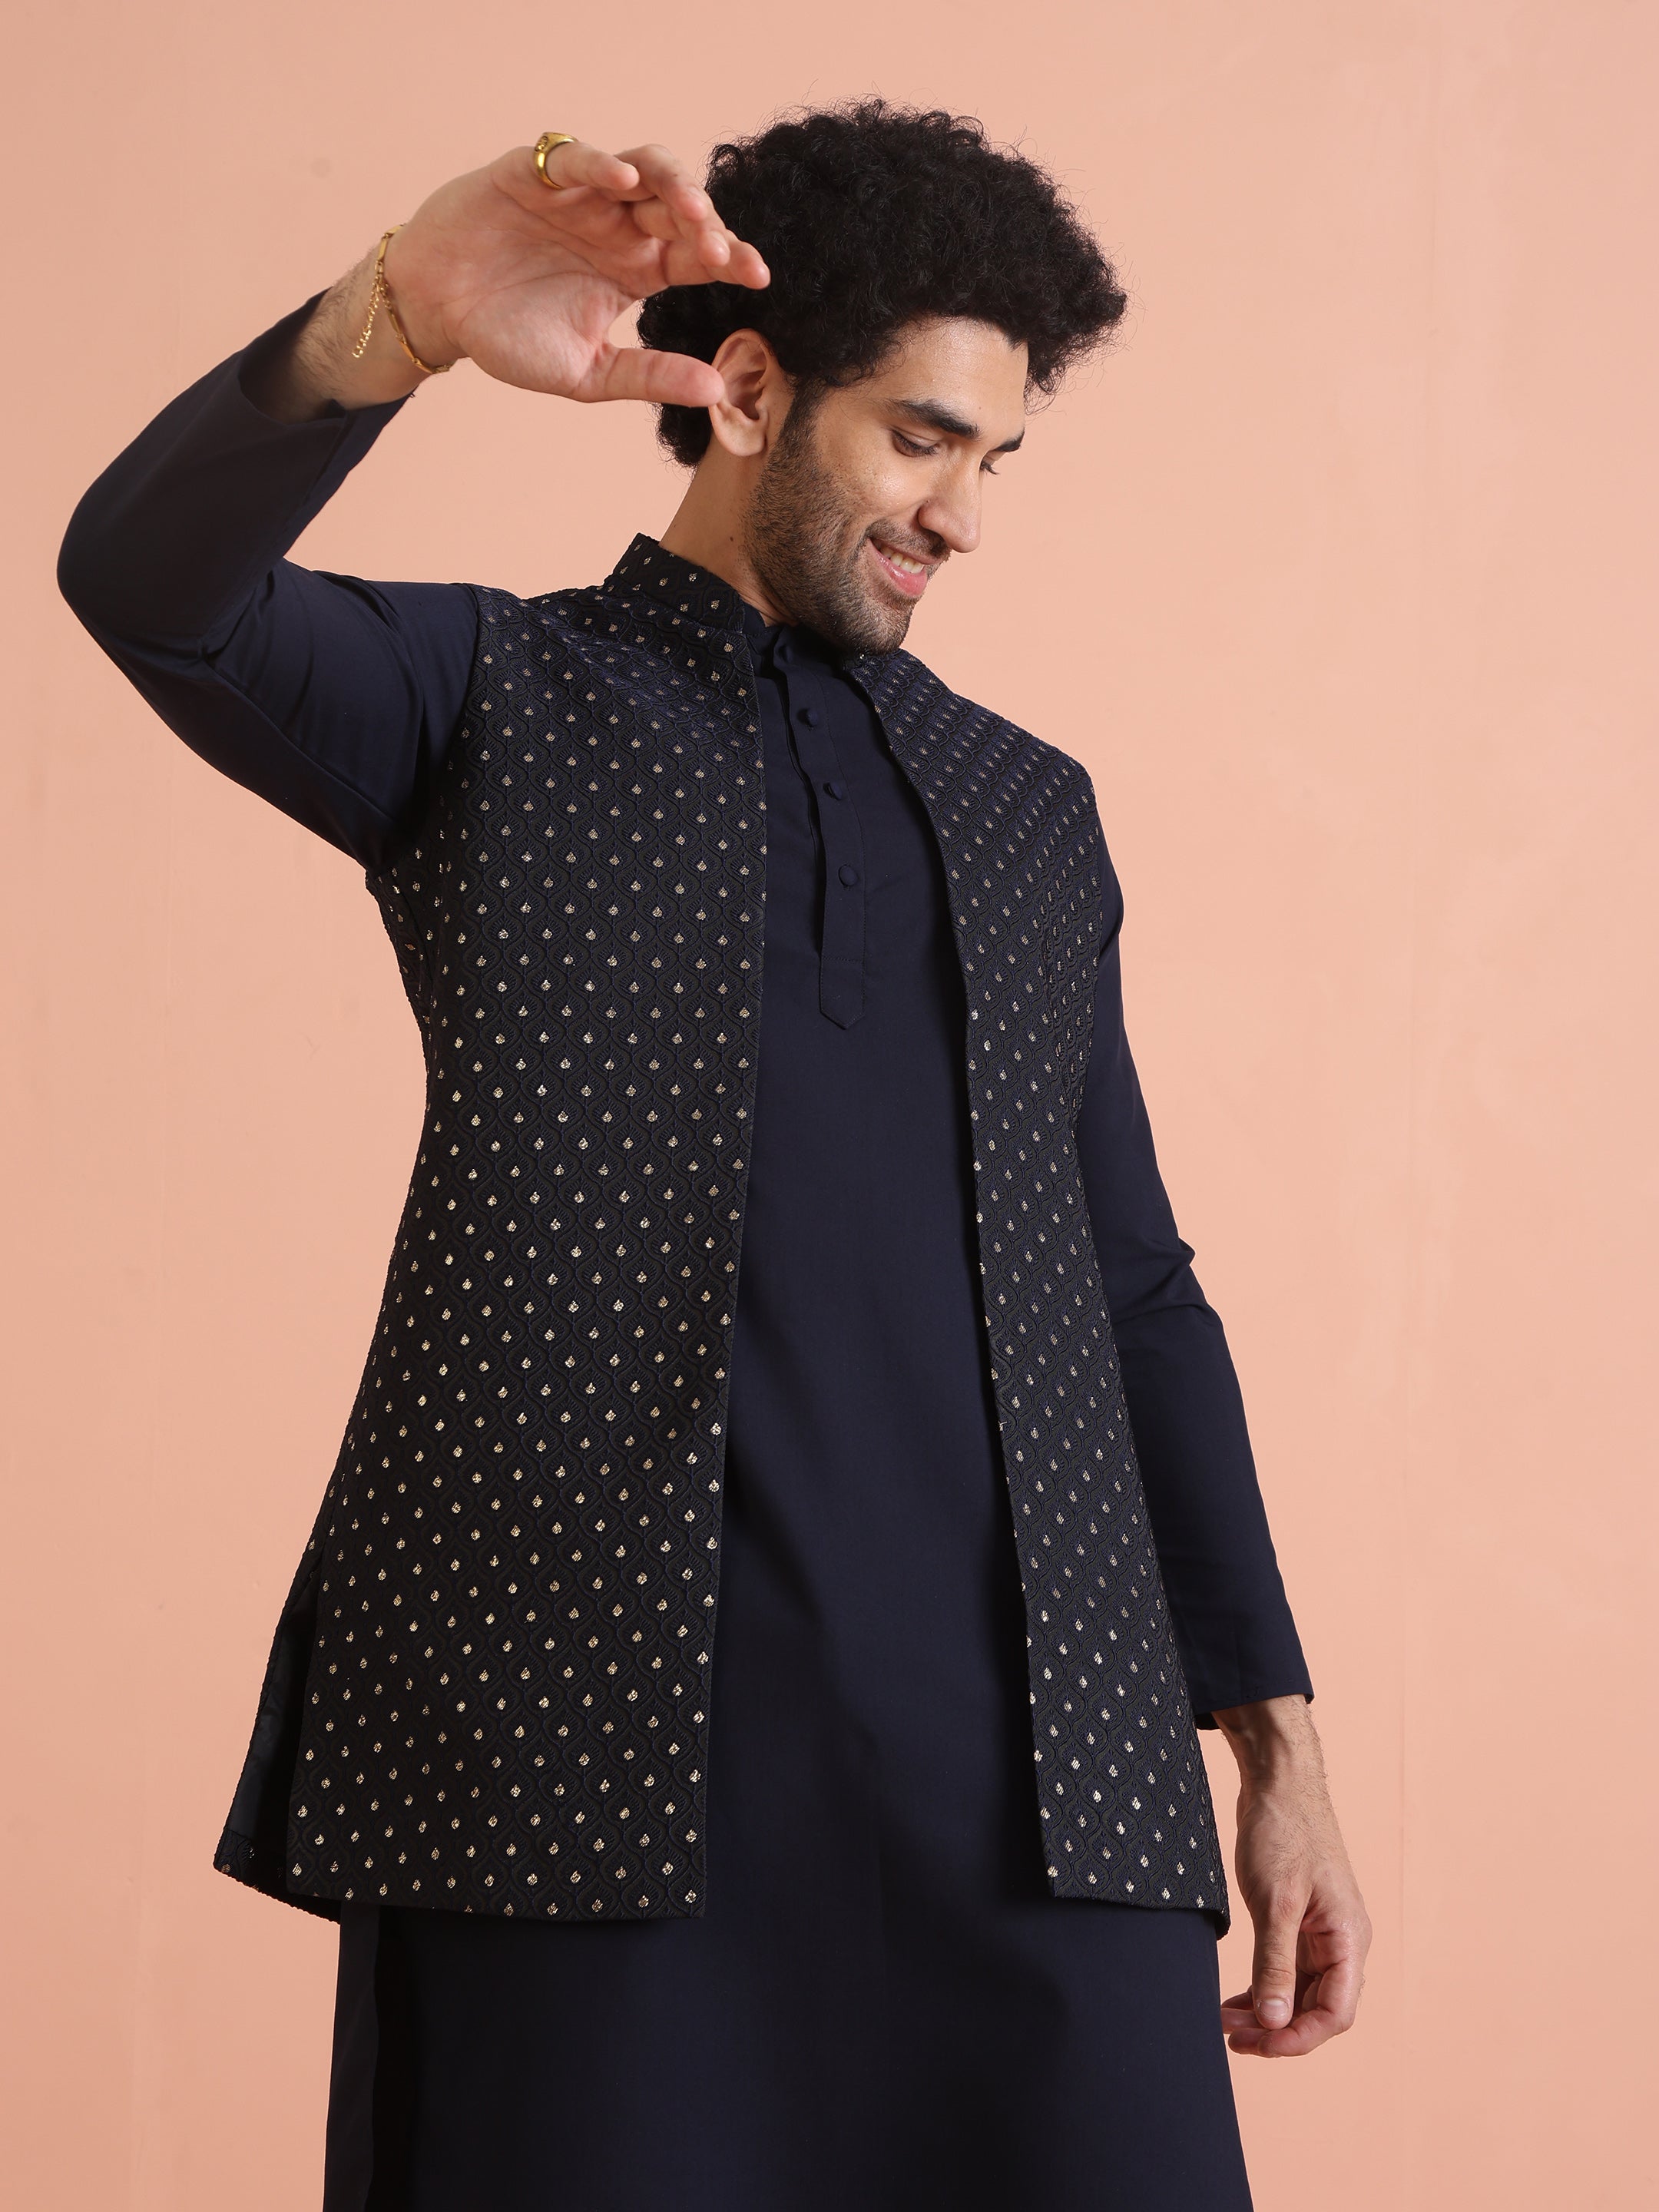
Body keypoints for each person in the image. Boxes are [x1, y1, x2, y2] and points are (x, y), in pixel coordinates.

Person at [59, 101, 1370, 2212]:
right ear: (749, 391)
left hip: (1046, 1784)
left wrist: (1276, 1738)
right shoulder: (485, 701)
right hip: (570, 1770)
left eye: (996, 460)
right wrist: (396, 320)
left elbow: (1134, 1285)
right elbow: (145, 583)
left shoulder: (1030, 810)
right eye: (921, 440)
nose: (963, 517)